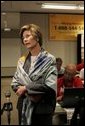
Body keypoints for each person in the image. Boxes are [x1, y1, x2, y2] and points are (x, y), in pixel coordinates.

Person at [11, 24, 57, 125]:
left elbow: (49, 85)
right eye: (23, 38)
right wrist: (27, 89)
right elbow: (14, 84)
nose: (25, 39)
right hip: (24, 106)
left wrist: (26, 88)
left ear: (37, 37)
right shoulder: (22, 61)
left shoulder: (49, 59)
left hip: (42, 108)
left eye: (28, 36)